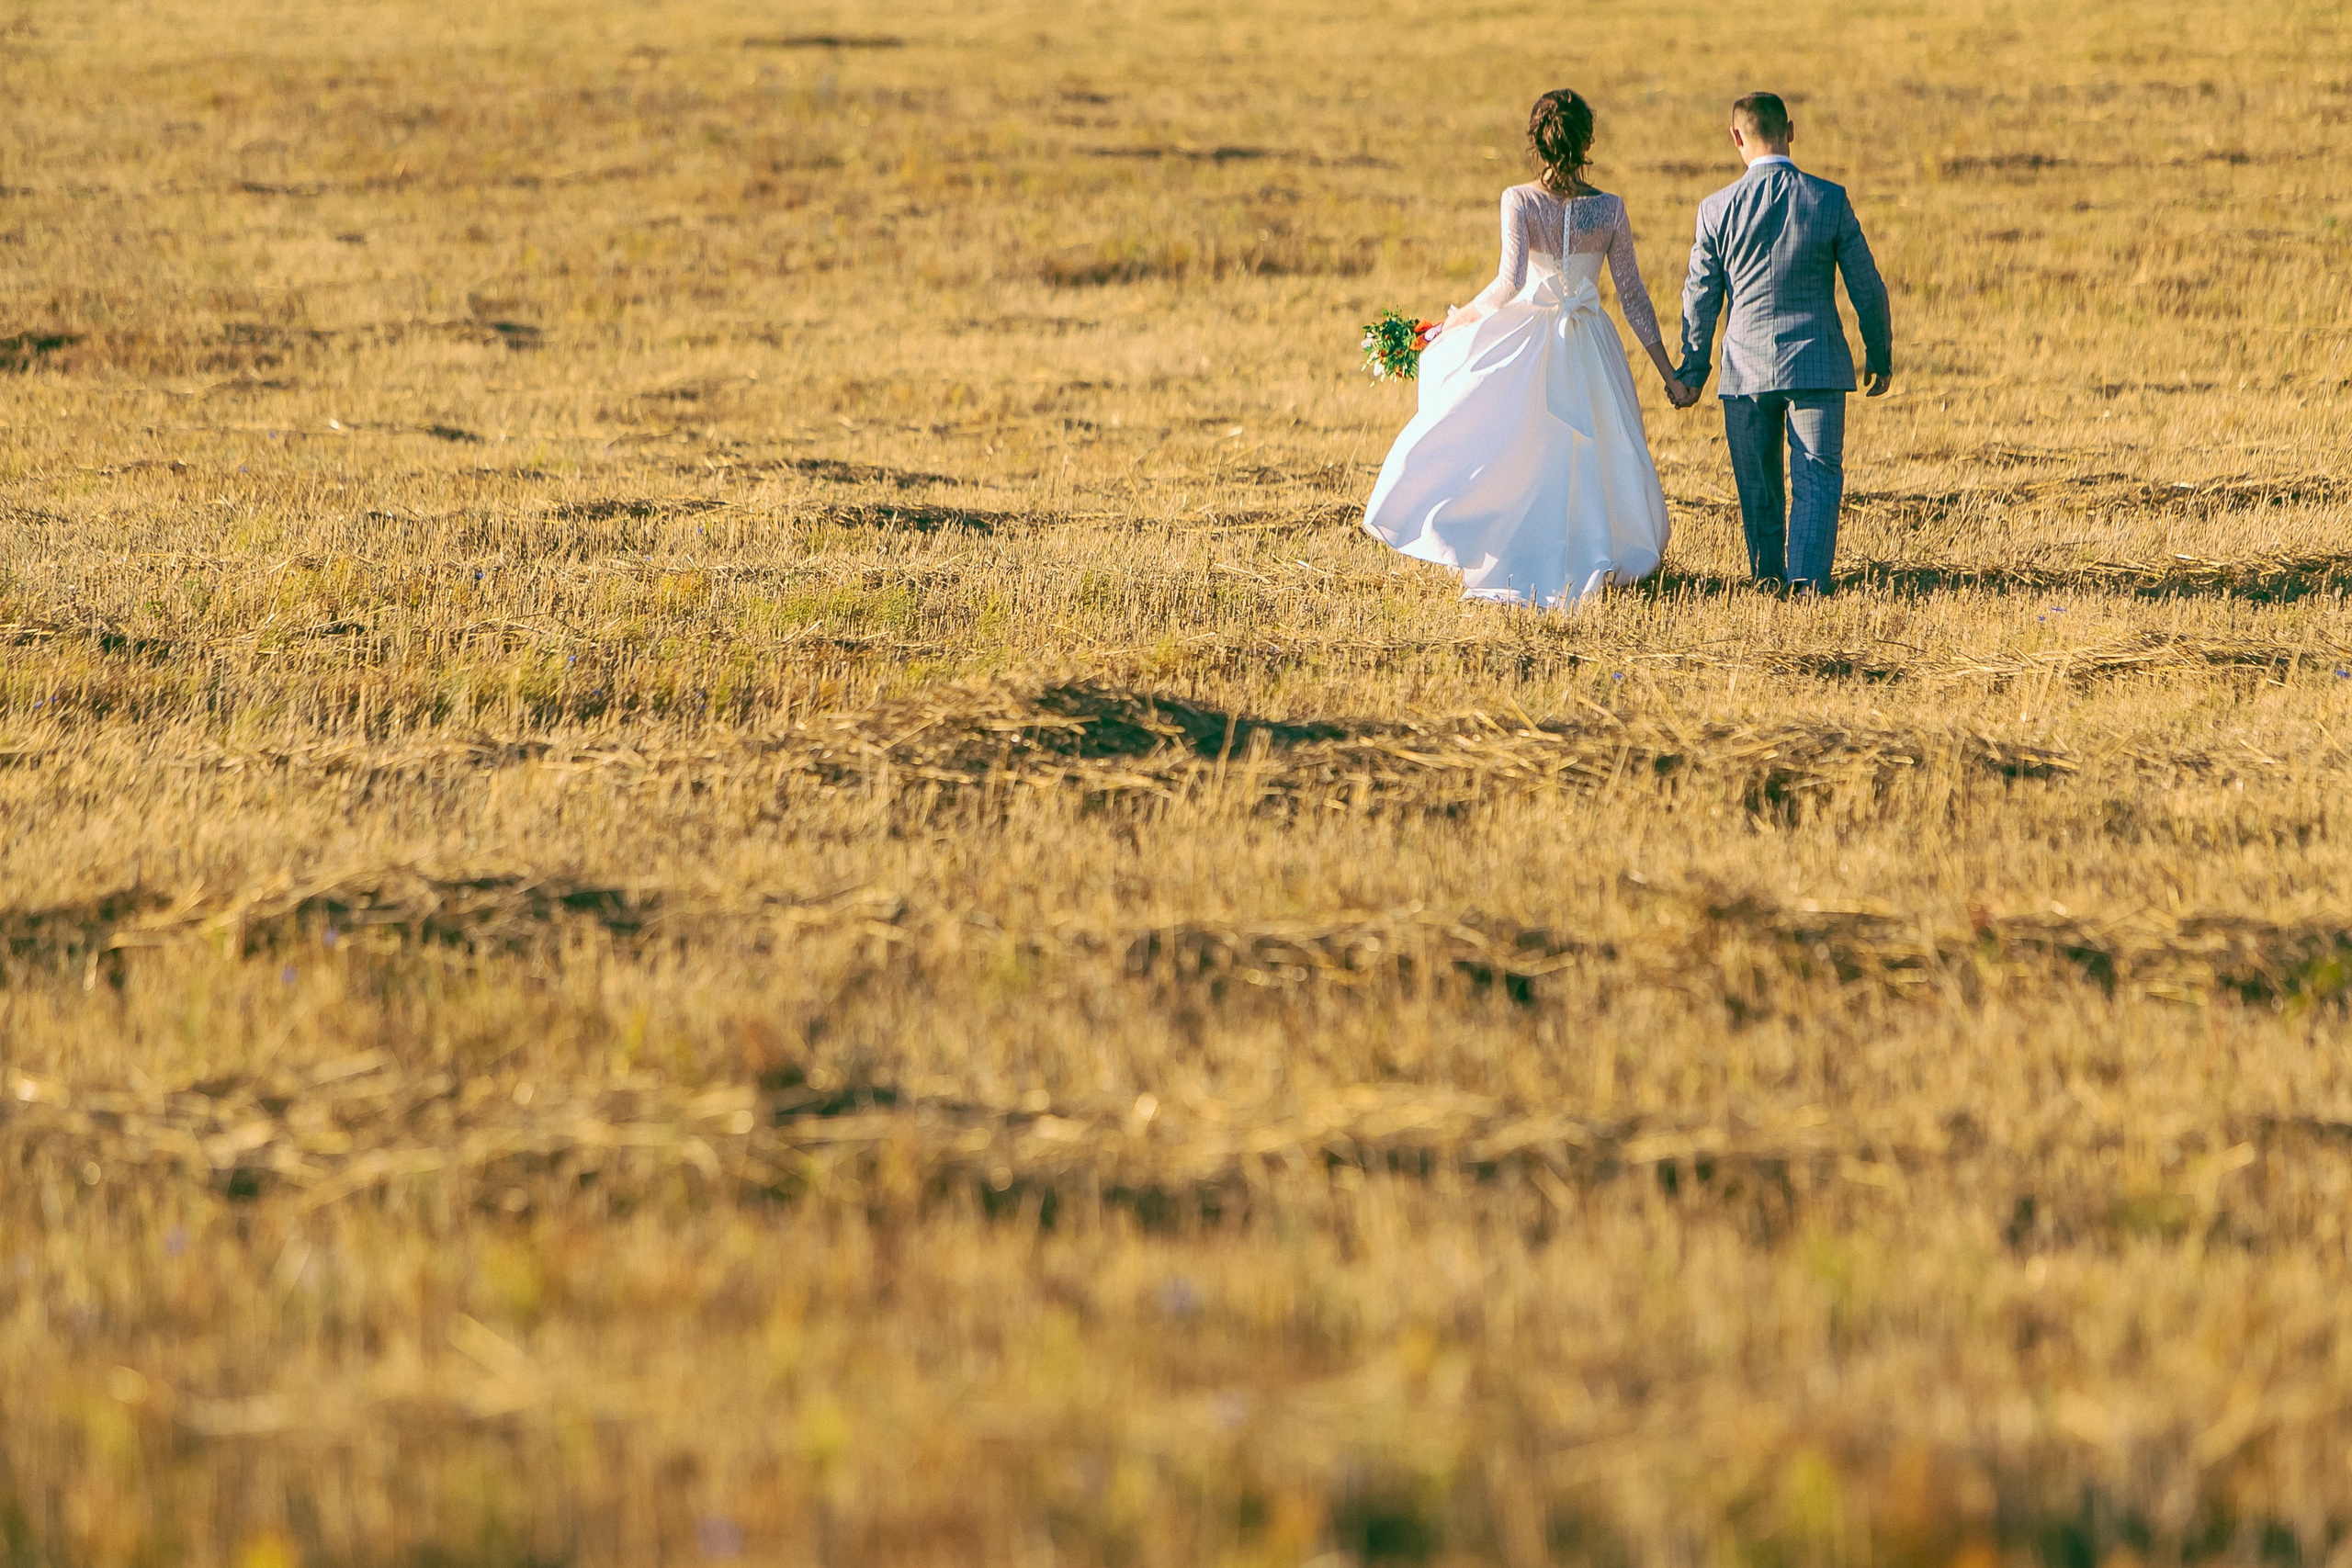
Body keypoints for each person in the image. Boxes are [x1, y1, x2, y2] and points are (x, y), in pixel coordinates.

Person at [1362, 89, 1686, 608]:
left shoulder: (1520, 199)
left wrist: (1455, 322)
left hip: (1531, 339)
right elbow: (1633, 295)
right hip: (1588, 345)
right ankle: (1592, 555)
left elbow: (1508, 284)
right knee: (1592, 452)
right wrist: (1669, 374)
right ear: (1588, 140)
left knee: (1522, 447)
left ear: (1535, 141)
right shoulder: (1609, 208)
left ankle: (1522, 555)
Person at [1671, 91, 1893, 596]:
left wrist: (1693, 366)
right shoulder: (1829, 198)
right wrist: (1879, 354)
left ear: (1736, 137)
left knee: (1759, 486)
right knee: (1816, 476)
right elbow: (1867, 286)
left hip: (1744, 371)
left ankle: (1767, 580)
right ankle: (1808, 585)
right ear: (1790, 130)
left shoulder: (1715, 209)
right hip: (1816, 364)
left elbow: (1699, 296)